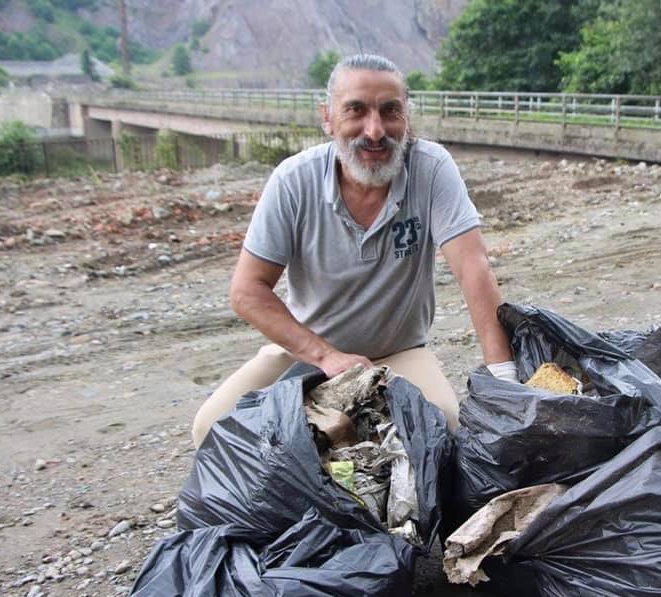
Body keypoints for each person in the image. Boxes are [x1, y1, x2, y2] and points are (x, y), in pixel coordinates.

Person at [191, 53, 517, 447]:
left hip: (398, 355)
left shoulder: (430, 169)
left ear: (407, 118)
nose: (375, 130)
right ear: (327, 118)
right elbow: (247, 292)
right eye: (356, 111)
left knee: (442, 431)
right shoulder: (293, 181)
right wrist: (326, 356)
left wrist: (507, 382)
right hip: (307, 356)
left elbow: (473, 267)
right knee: (213, 428)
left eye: (389, 111)